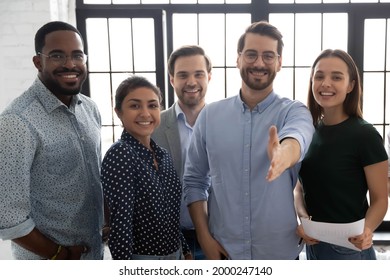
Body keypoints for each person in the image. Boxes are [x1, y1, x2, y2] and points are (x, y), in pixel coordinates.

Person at [183, 21, 314, 260]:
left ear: (279, 62)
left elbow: (298, 137)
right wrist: (204, 238)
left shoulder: (294, 111)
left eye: (268, 56)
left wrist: (283, 154)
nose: (259, 63)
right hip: (224, 252)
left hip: (279, 254)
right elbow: (194, 181)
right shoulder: (210, 116)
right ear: (238, 59)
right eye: (251, 55)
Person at [0, 21, 104, 259]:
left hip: (94, 255)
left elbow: (94, 180)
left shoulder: (90, 109)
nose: (70, 64)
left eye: (77, 55)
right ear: (38, 62)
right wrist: (61, 255)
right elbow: (8, 216)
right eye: (57, 56)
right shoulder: (16, 122)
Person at [295, 49, 388, 260]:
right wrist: (303, 219)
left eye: (336, 77)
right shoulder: (308, 131)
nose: (326, 83)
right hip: (314, 245)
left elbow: (381, 199)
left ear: (351, 85)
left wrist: (367, 230)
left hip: (350, 248)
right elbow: (298, 189)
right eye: (319, 76)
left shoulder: (365, 134)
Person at [101, 75, 190, 260]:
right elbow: (120, 226)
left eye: (152, 105)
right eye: (134, 105)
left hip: (176, 255)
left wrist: (186, 250)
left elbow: (170, 213)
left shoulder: (163, 155)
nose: (145, 113)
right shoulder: (120, 155)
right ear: (118, 112)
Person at [152, 45, 212, 260]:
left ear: (209, 77)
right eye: (183, 75)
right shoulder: (153, 125)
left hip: (217, 236)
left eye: (198, 74)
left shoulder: (224, 123)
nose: (191, 82)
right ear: (171, 79)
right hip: (169, 240)